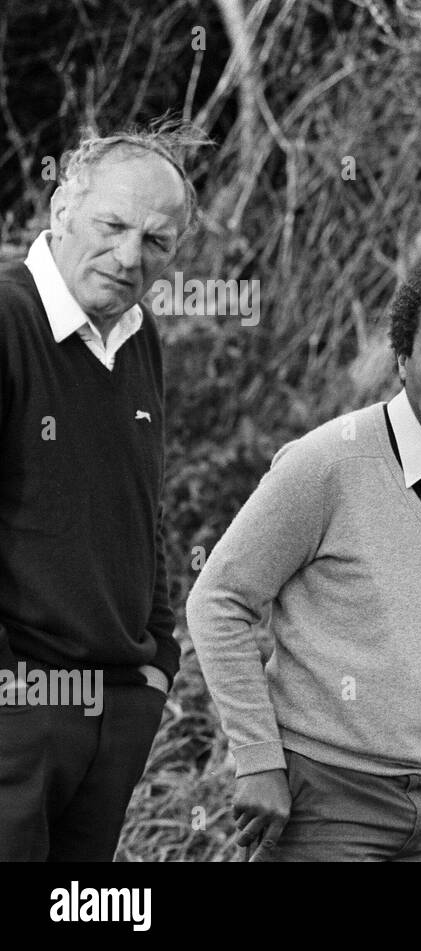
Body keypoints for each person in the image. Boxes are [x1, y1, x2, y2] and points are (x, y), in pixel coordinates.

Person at [186, 254, 421, 861]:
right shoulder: (328, 463)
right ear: (402, 361)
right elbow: (219, 601)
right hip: (324, 800)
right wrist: (259, 760)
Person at [0, 124, 204, 861]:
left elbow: (141, 507)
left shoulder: (138, 335)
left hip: (115, 707)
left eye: (157, 242)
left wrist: (153, 669)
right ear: (61, 209)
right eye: (112, 226)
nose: (130, 257)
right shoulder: (8, 317)